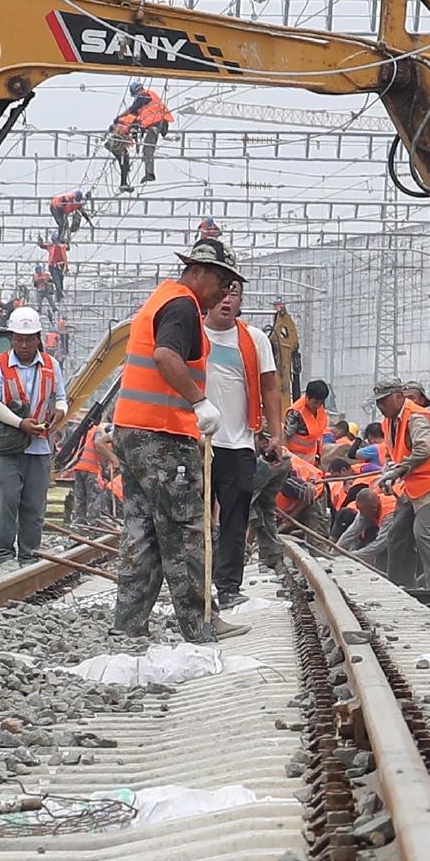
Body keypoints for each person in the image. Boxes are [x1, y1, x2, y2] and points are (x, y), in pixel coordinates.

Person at [110, 237, 250, 643]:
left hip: (132, 430)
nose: (224, 294)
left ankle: (128, 625)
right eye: (223, 284)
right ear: (200, 272)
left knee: (142, 529)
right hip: (163, 435)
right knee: (186, 527)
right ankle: (201, 623)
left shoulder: (163, 298)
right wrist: (200, 402)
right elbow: (165, 356)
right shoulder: (183, 305)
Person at [203, 282, 284, 610]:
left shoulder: (254, 339)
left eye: (233, 294)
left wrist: (276, 433)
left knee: (235, 519)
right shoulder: (192, 333)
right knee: (196, 519)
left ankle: (228, 587)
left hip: (238, 444)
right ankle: (196, 586)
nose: (226, 300)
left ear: (241, 301)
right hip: (197, 442)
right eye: (220, 293)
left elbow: (269, 388)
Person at [0, 308, 68, 568]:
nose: (24, 344)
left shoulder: (52, 366)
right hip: (5, 446)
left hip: (39, 447)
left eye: (29, 339)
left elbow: (61, 397)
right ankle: (4, 554)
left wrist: (59, 413)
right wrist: (20, 423)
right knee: (4, 501)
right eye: (19, 339)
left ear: (38, 338)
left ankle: (29, 554)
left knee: (33, 505)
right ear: (12, 338)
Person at [373, 378, 430, 590]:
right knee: (398, 534)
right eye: (378, 402)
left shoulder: (417, 417)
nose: (380, 407)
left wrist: (397, 470)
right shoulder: (389, 422)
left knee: (424, 535)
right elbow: (395, 453)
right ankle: (401, 586)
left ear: (398, 397)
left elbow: (423, 450)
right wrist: (389, 470)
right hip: (414, 489)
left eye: (384, 401)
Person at [117, 82, 172, 188]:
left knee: (148, 149)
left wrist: (119, 117)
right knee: (147, 148)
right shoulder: (146, 98)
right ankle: (149, 173)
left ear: (138, 90)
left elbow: (132, 109)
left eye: (135, 94)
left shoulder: (144, 95)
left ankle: (150, 174)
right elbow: (137, 115)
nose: (136, 97)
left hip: (157, 124)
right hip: (155, 124)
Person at [283, 380, 330, 460]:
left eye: (321, 403)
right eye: (315, 402)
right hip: (296, 455)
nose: (318, 406)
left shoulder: (320, 407)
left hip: (312, 454)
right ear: (307, 397)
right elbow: (286, 436)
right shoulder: (295, 412)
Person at [105, 112, 140, 191]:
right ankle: (123, 183)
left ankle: (124, 182)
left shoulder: (122, 117)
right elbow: (134, 132)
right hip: (118, 143)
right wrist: (137, 144)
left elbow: (111, 128)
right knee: (124, 162)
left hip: (113, 142)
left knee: (124, 162)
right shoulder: (135, 120)